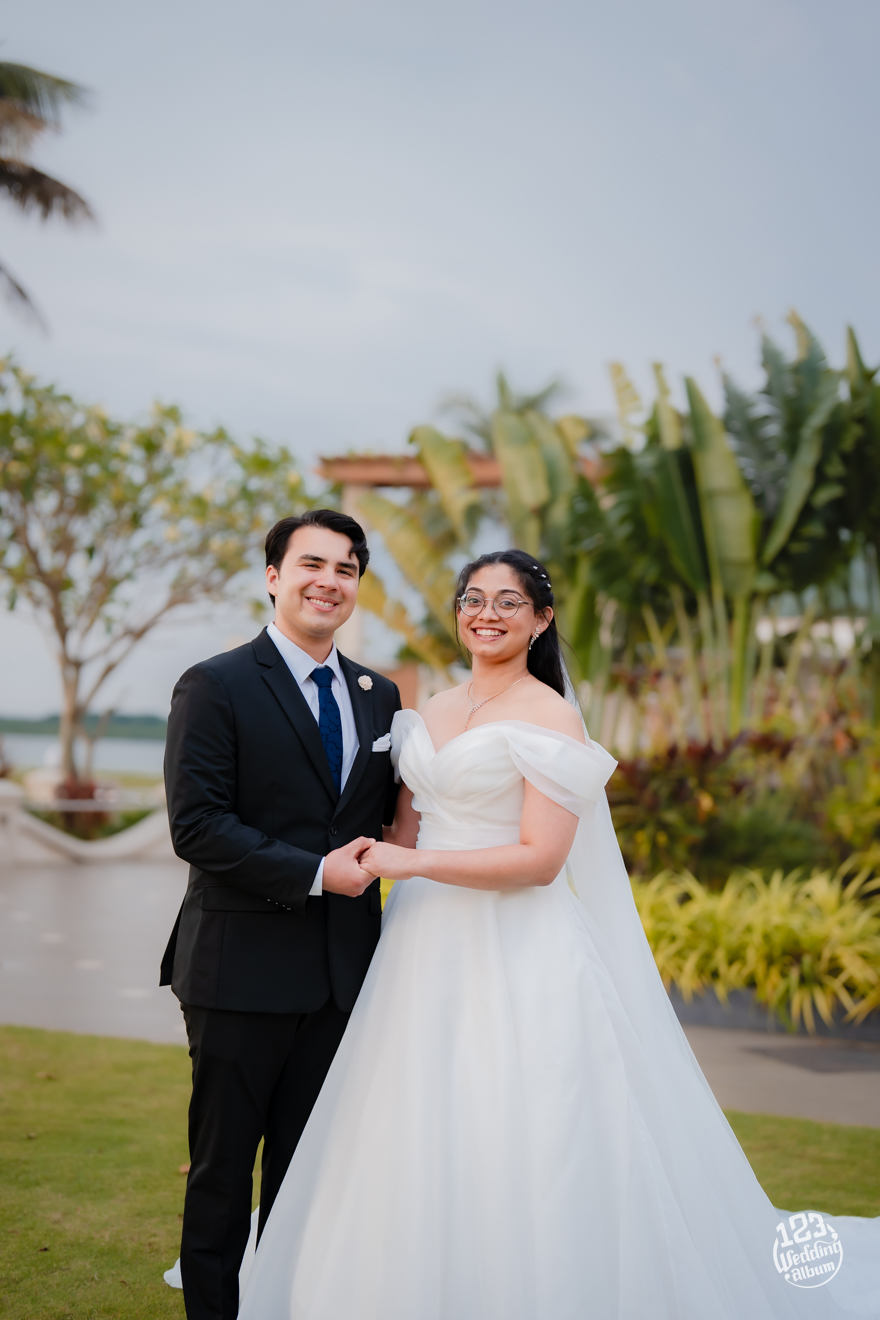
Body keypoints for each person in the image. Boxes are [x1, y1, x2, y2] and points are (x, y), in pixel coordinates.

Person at [228, 550, 880, 1318]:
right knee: (410, 1107)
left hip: (519, 942)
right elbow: (403, 826)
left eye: (509, 602)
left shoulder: (550, 715)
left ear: (540, 620)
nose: (488, 614)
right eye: (474, 599)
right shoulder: (426, 708)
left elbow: (541, 861)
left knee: (524, 1112)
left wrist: (414, 862)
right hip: (420, 940)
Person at [159, 509, 401, 1320]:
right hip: (238, 972)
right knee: (223, 1176)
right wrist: (315, 874)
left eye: (346, 569)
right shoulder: (215, 684)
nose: (329, 581)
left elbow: (384, 821)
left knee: (307, 1181)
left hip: (339, 981)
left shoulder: (379, 695)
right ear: (273, 576)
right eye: (312, 564)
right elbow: (198, 827)